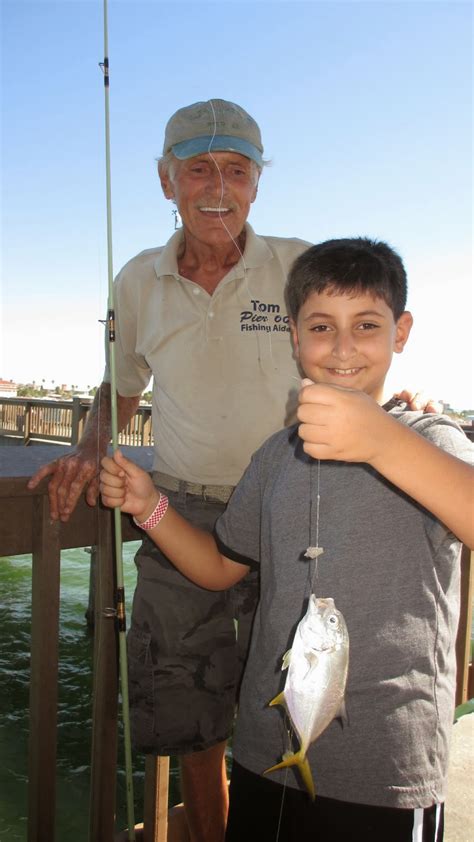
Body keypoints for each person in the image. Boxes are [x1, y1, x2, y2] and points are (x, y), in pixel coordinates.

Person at [27, 100, 440, 841]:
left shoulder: (297, 263)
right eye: (198, 169)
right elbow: (121, 384)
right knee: (189, 707)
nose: (218, 186)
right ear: (166, 182)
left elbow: (347, 347)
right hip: (179, 509)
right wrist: (90, 447)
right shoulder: (135, 282)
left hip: (295, 507)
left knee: (293, 683)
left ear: (257, 185)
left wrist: (399, 408)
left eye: (237, 170)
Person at [99, 236, 473, 842]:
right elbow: (221, 566)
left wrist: (379, 437)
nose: (344, 347)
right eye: (322, 326)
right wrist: (149, 506)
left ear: (400, 333)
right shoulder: (276, 457)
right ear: (294, 339)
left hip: (385, 772)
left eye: (367, 325)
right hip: (264, 756)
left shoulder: (432, 440)